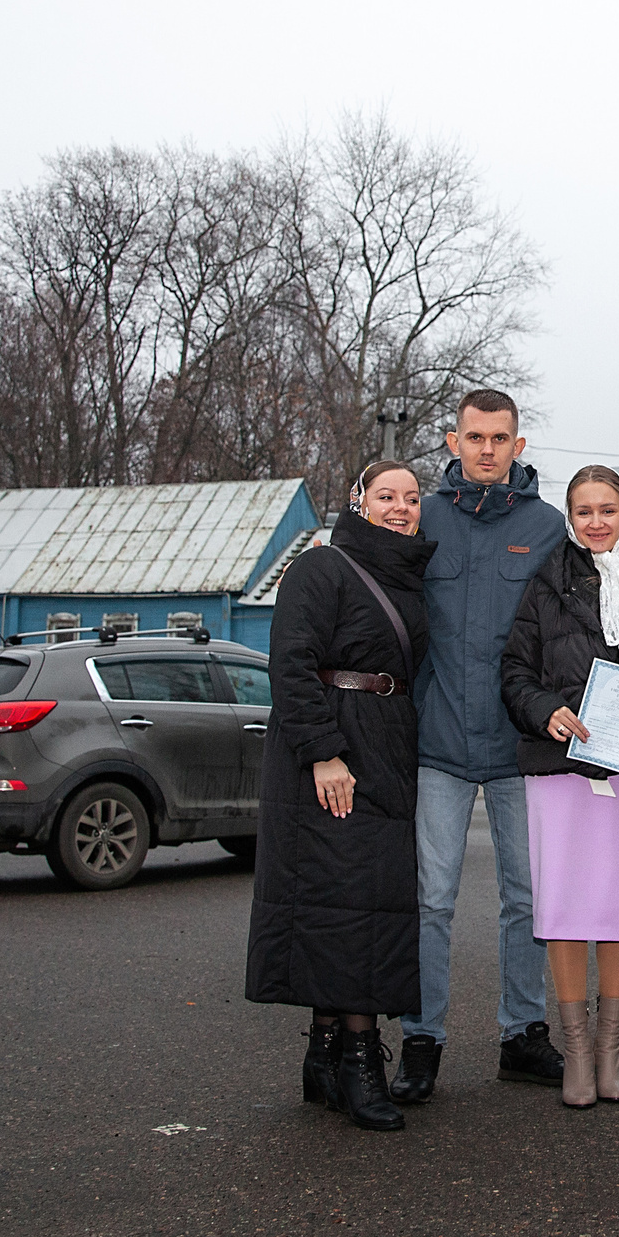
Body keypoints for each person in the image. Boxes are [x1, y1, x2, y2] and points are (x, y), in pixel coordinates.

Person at [245, 461, 436, 1132]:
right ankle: (359, 1061)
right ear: (357, 502)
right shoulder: (321, 567)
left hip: (386, 744)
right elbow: (290, 660)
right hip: (330, 749)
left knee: (361, 902)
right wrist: (324, 752)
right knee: (349, 906)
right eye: (386, 495)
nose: (401, 507)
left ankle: (324, 1056)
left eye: (412, 498)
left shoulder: (407, 576)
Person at [391, 389, 569, 1103]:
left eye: (500, 437)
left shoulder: (547, 525)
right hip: (437, 742)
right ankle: (421, 1038)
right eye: (475, 436)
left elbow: (569, 631)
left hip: (518, 744)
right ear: (452, 440)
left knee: (527, 897)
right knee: (430, 898)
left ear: (518, 446)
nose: (487, 448)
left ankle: (523, 1033)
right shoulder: (421, 519)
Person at [498, 465, 619, 1108]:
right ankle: (575, 1052)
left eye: (608, 509)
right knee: (565, 907)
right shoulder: (546, 581)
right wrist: (545, 709)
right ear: (568, 518)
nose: (596, 522)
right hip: (561, 768)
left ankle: (610, 1049)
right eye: (582, 512)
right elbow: (514, 669)